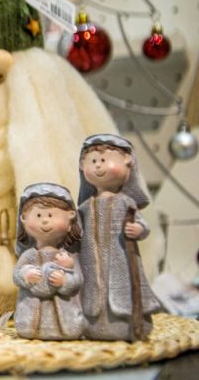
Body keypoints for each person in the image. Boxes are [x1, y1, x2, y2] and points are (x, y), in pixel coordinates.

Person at [77, 134, 160, 341]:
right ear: (82, 166)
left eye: (104, 160)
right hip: (91, 263)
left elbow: (142, 224)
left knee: (121, 289)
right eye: (93, 161)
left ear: (127, 160)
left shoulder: (125, 202)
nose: (98, 166)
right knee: (94, 290)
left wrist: (138, 229)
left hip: (121, 259)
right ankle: (95, 325)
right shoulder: (85, 207)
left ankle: (128, 324)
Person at [13, 182, 84, 340]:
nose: (45, 221)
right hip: (32, 312)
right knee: (29, 327)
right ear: (23, 219)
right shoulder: (29, 255)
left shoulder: (67, 257)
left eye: (51, 215)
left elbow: (77, 281)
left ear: (70, 218)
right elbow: (16, 275)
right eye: (38, 215)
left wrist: (65, 280)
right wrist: (26, 275)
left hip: (64, 315)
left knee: (71, 328)